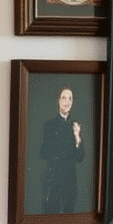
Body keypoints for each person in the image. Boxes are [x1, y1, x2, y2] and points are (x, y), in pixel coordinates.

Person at [39, 85, 84, 213]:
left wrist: (77, 138)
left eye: (70, 98)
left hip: (70, 181)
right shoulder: (49, 125)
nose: (67, 102)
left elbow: (80, 157)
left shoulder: (76, 124)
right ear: (59, 101)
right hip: (53, 180)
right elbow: (43, 153)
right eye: (64, 98)